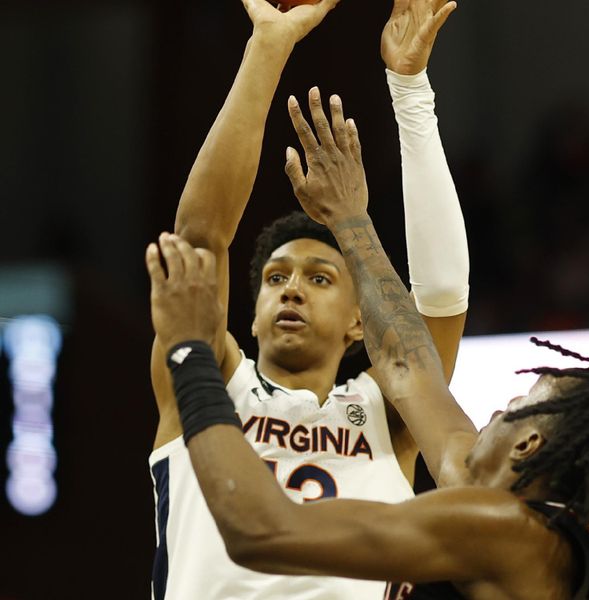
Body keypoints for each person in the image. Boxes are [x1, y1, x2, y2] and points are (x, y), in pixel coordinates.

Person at [145, 92, 589, 599]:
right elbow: (407, 365)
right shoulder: (504, 512)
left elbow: (259, 530)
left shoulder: (499, 525)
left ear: (526, 443)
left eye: (519, 404)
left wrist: (189, 353)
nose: (496, 409)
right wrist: (351, 217)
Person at [148, 0, 468, 598]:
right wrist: (268, 43)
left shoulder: (390, 416)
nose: (291, 287)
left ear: (359, 322)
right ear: (253, 311)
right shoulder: (207, 382)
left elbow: (443, 296)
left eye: (319, 277)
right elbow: (199, 239)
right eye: (275, 278)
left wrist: (411, 90)